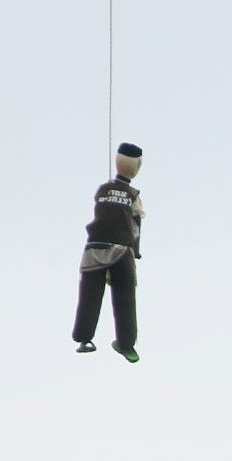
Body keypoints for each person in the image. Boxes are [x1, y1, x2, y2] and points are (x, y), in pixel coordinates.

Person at [72, 142, 145, 361]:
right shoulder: (133, 194)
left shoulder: (102, 190)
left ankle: (84, 337)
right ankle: (126, 343)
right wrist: (136, 251)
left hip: (94, 248)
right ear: (137, 166)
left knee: (90, 295)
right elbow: (136, 226)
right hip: (122, 251)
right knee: (125, 298)